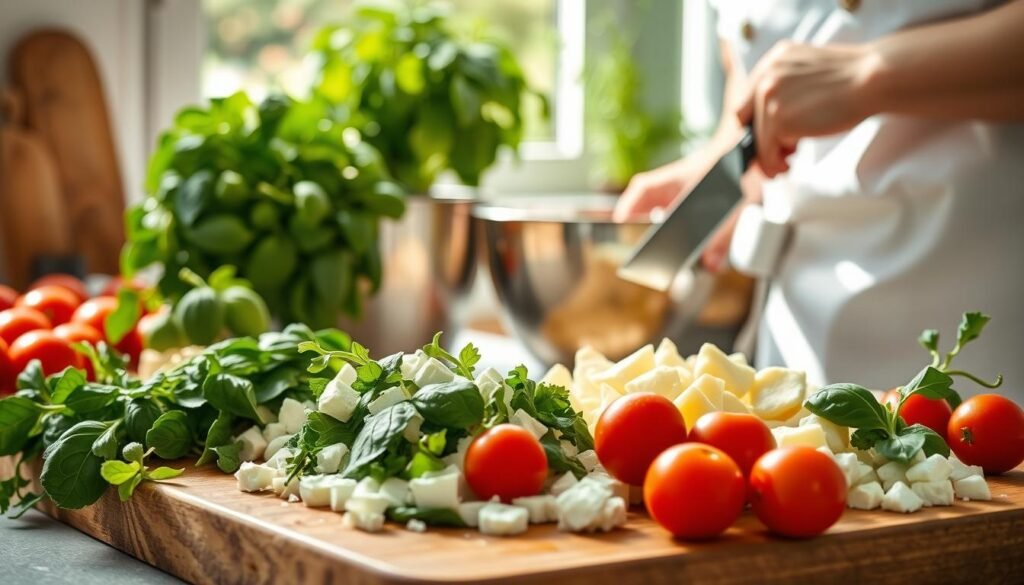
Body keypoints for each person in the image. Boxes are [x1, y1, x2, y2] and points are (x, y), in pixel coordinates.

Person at [614, 0, 1024, 398]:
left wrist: (867, 74)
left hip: (978, 336)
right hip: (794, 339)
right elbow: (749, 67)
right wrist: (727, 164)